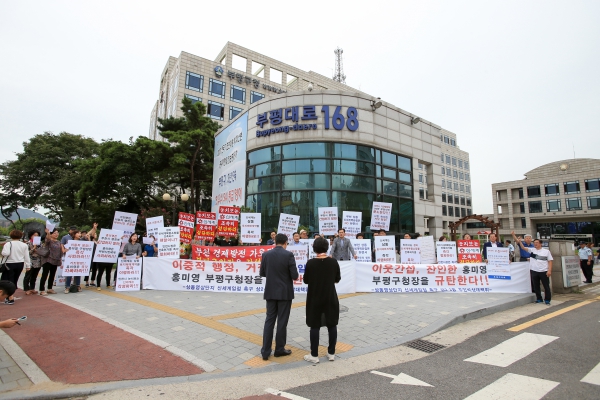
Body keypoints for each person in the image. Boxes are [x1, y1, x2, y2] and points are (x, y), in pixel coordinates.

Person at [259, 233, 299, 360]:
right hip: (284, 293)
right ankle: (279, 349)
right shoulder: (288, 255)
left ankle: (265, 351)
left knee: (269, 320)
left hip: (270, 292)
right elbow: (295, 275)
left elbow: (262, 273)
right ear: (286, 243)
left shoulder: (266, 255)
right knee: (282, 321)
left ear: (275, 241)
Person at [303, 237, 341, 364]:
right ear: (327, 247)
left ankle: (314, 354)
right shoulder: (333, 262)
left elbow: (306, 280)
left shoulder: (310, 263)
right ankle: (331, 353)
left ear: (314, 248)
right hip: (330, 297)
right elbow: (337, 279)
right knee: (332, 324)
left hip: (314, 298)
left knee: (315, 325)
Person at [512, 231, 553, 305]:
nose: (535, 244)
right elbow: (523, 248)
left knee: (546, 285)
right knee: (536, 285)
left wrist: (549, 270)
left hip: (543, 271)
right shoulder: (532, 250)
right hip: (534, 271)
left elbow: (550, 261)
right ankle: (539, 298)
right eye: (535, 243)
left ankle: (547, 299)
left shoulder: (546, 252)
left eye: (537, 243)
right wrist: (520, 241)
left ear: (540, 244)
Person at [1, 230, 31, 304]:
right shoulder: (24, 245)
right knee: (14, 280)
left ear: (11, 235)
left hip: (9, 264)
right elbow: (26, 256)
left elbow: (5, 253)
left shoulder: (8, 244)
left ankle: (10, 297)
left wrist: (3, 250)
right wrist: (28, 266)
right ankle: (10, 296)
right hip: (20, 264)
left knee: (6, 281)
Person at [39, 228, 62, 296]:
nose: (56, 234)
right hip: (48, 260)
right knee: (45, 275)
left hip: (55, 260)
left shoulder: (58, 242)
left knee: (52, 275)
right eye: (54, 233)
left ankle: (50, 288)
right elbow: (47, 239)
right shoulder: (49, 241)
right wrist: (48, 233)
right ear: (51, 234)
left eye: (57, 233)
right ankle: (42, 289)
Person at [24, 230, 42, 295]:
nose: (36, 236)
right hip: (30, 261)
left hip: (38, 261)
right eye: (34, 235)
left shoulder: (40, 243)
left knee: (34, 276)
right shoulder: (28, 244)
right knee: (28, 276)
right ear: (31, 236)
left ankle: (32, 288)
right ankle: (26, 289)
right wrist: (33, 248)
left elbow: (42, 252)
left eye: (37, 235)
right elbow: (27, 253)